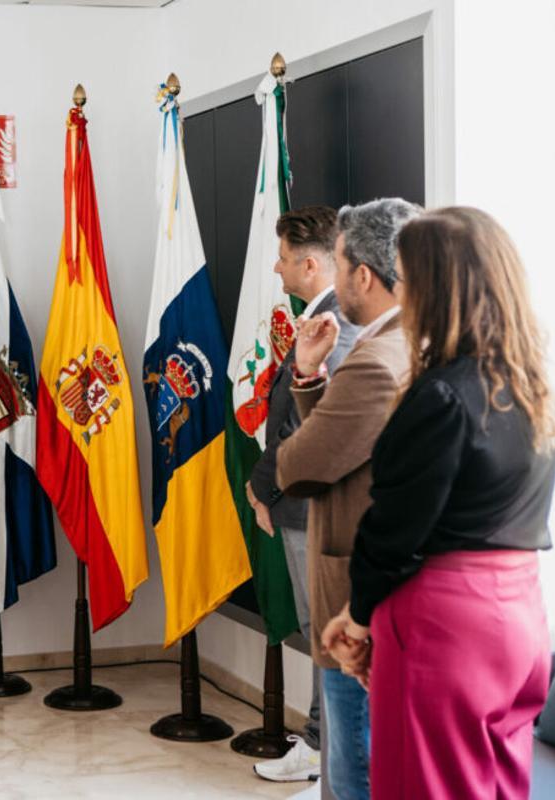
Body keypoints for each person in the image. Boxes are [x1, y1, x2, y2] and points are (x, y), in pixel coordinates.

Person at [323, 207, 555, 800]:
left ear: (436, 288)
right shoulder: (531, 389)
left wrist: (357, 618)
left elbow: (395, 528)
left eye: (407, 277)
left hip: (446, 626)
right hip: (520, 618)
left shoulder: (442, 395)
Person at [275, 198, 421, 800]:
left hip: (356, 596)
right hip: (373, 591)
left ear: (362, 274)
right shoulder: (406, 342)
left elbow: (300, 466)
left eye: (336, 265)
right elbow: (340, 446)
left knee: (350, 775)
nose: (332, 281)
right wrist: (310, 378)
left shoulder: (376, 360)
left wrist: (311, 393)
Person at [246, 206, 358, 784]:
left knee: (325, 631)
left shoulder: (336, 326)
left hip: (311, 506)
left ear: (310, 265)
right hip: (302, 502)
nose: (277, 267)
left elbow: (303, 427)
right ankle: (321, 746)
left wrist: (261, 487)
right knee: (321, 630)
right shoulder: (325, 317)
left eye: (284, 258)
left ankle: (322, 751)